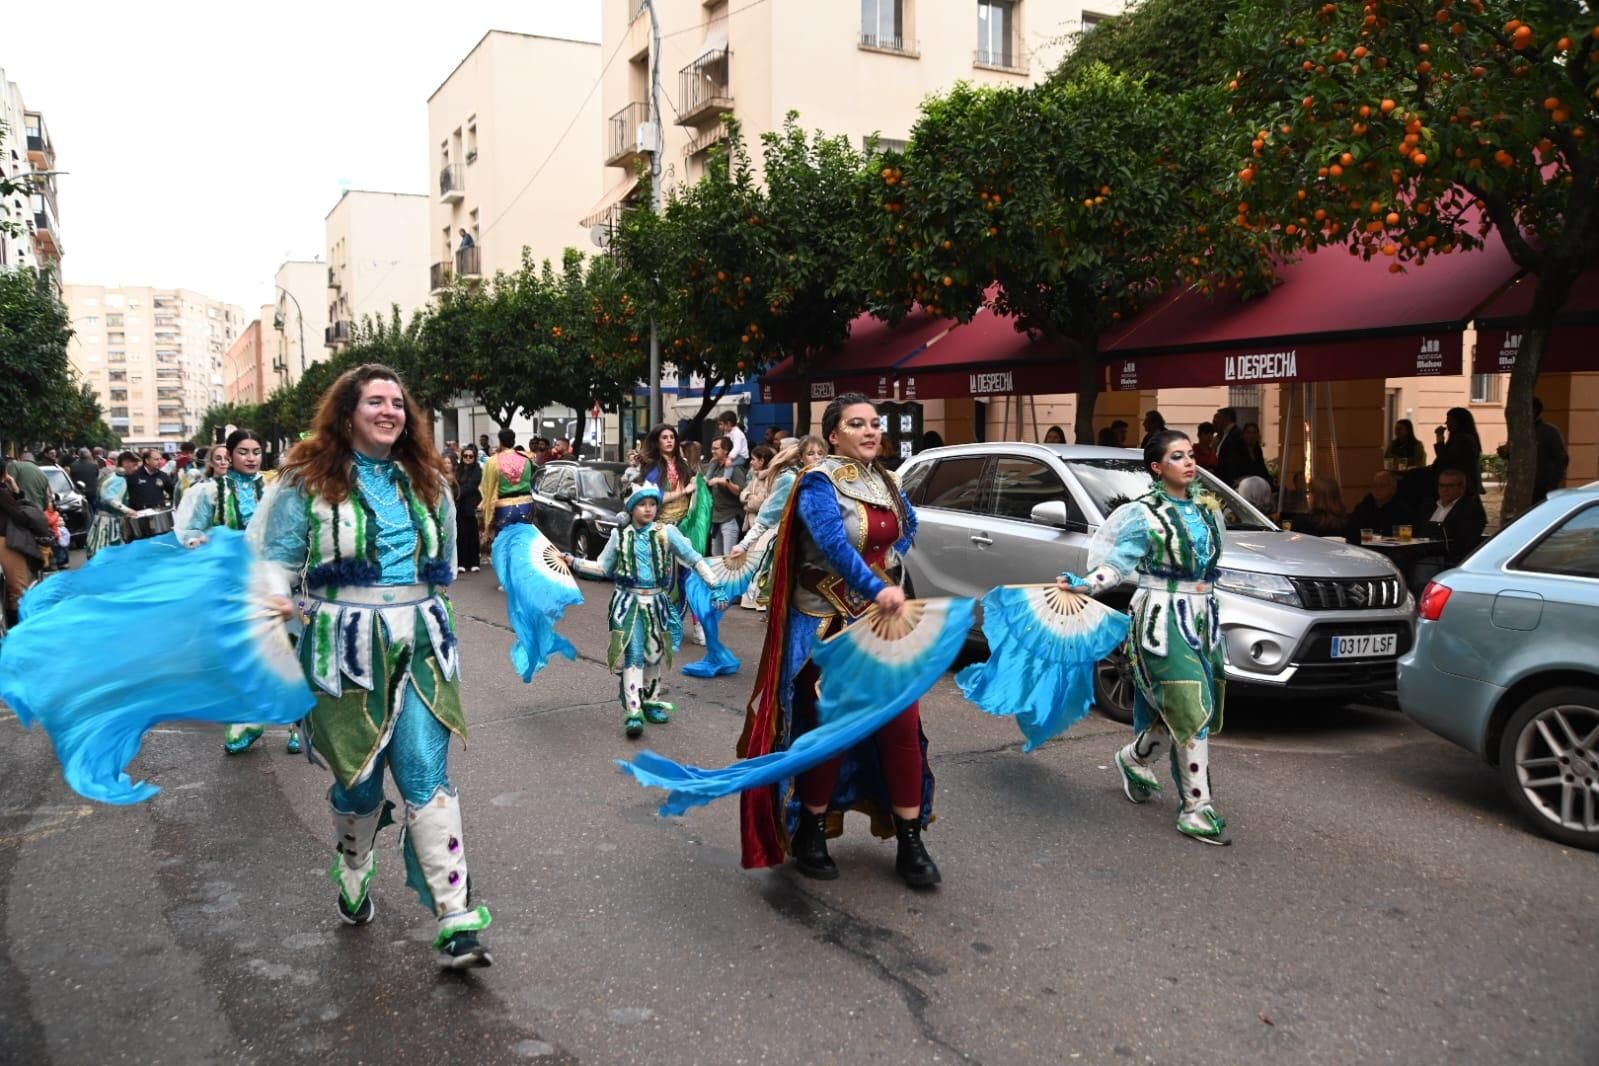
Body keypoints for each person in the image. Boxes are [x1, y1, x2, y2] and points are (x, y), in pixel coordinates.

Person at [249, 363, 492, 969]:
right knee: (358, 784)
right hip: (343, 649)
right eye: (376, 402)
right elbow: (277, 558)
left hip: (422, 644)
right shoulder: (307, 479)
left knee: (424, 774)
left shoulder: (429, 478)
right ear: (348, 413)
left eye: (398, 403)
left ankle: (457, 916)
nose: (390, 412)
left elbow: (447, 563)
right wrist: (276, 596)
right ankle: (354, 862)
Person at [737, 395, 940, 887]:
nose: (870, 431)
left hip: (880, 624)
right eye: (857, 424)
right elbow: (831, 544)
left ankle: (910, 837)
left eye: (874, 424)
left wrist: (888, 567)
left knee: (901, 727)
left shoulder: (887, 480)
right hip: (827, 623)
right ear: (833, 435)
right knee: (828, 730)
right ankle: (811, 829)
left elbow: (907, 527)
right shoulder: (817, 482)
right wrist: (877, 585)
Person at [1062, 430, 1230, 844]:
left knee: (1171, 710)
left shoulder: (1207, 511)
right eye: (1178, 457)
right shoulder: (1144, 515)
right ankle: (1197, 807)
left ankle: (1133, 758)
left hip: (1203, 620)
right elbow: (1118, 565)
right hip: (1162, 619)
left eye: (1191, 455)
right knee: (1190, 705)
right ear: (1157, 468)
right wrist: (1085, 584)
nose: (1189, 462)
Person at [174, 429, 300, 757]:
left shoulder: (276, 488)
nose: (251, 457)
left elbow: (294, 528)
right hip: (231, 577)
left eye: (256, 451)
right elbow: (191, 528)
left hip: (271, 574)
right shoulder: (210, 492)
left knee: (285, 644)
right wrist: (195, 540)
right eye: (243, 452)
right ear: (228, 456)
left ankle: (297, 724)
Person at [567, 483, 722, 738]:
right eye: (642, 504)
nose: (648, 509)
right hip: (629, 603)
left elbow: (694, 558)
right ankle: (634, 710)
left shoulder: (666, 532)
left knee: (654, 655)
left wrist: (715, 586)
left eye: (652, 504)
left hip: (657, 603)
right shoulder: (621, 535)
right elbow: (604, 567)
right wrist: (574, 561)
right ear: (631, 508)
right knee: (635, 654)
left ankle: (650, 702)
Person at [1, 469, 53, 627]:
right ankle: (18, 629)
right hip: (4, 541)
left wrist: (15, 492)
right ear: (4, 475)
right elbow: (19, 516)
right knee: (17, 587)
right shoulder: (2, 493)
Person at [1417, 468, 1488, 567]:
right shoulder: (1429, 506)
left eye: (1450, 486)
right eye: (1442, 485)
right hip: (1419, 552)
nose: (1445, 490)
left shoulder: (1470, 509)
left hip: (1446, 558)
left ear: (1461, 487)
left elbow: (1464, 542)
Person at [478, 427, 535, 546]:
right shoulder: (527, 459)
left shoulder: (493, 461)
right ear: (514, 441)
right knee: (523, 543)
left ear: (500, 441)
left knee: (504, 544)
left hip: (504, 507)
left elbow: (487, 488)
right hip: (526, 505)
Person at [639, 424, 697, 527]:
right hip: (663, 526)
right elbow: (656, 497)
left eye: (672, 437)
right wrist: (684, 491)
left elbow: (693, 481)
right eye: (664, 438)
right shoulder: (653, 466)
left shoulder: (682, 463)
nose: (669, 440)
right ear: (657, 442)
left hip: (686, 523)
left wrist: (697, 481)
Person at [85, 453, 141, 559]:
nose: (136, 468)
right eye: (134, 465)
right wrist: (128, 510)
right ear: (126, 463)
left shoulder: (112, 475)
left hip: (102, 520)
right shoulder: (119, 479)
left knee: (101, 551)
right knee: (107, 553)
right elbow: (110, 499)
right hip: (108, 522)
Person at [702, 436, 747, 557]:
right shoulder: (715, 466)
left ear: (726, 450)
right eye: (712, 448)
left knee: (729, 556)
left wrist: (724, 481)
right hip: (716, 518)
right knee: (715, 556)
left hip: (730, 517)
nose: (712, 451)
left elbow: (739, 491)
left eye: (716, 448)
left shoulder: (734, 468)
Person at [1344, 470, 1415, 543]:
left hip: (1391, 550)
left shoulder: (1402, 508)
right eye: (1374, 485)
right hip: (1365, 549)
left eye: (1382, 486)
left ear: (1393, 488)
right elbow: (1351, 531)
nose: (1377, 489)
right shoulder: (1365, 506)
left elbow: (1405, 539)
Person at [1431, 407, 1483, 495]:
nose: (1446, 423)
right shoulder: (1461, 438)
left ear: (1459, 422)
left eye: (1449, 420)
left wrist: (1439, 438)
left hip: (1460, 486)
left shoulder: (1463, 439)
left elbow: (1445, 460)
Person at [1532, 397, 1570, 503]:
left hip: (1542, 487)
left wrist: (1551, 484)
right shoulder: (1521, 431)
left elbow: (1562, 459)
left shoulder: (1549, 431)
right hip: (1524, 485)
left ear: (1534, 410)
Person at [455, 444, 483, 573]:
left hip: (471, 505)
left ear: (474, 457)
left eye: (470, 456)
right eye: (465, 456)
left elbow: (473, 485)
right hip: (459, 507)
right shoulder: (458, 469)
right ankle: (461, 562)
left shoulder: (477, 469)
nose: (467, 458)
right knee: (460, 535)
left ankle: (474, 562)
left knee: (472, 535)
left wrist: (457, 493)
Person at [1212, 407, 1245, 486]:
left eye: (1220, 417)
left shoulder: (1235, 434)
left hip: (1229, 481)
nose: (1218, 421)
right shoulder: (1226, 434)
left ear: (1227, 418)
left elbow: (1233, 459)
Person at [1236, 422, 1274, 487]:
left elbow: (1263, 470)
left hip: (1258, 485)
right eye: (1249, 433)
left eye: (1254, 433)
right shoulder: (1237, 450)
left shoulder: (1257, 450)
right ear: (1243, 435)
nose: (1252, 436)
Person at [70, 447, 102, 512]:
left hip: (78, 493)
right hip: (92, 493)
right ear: (88, 455)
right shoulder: (94, 465)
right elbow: (97, 476)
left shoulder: (73, 465)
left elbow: (71, 476)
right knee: (93, 510)